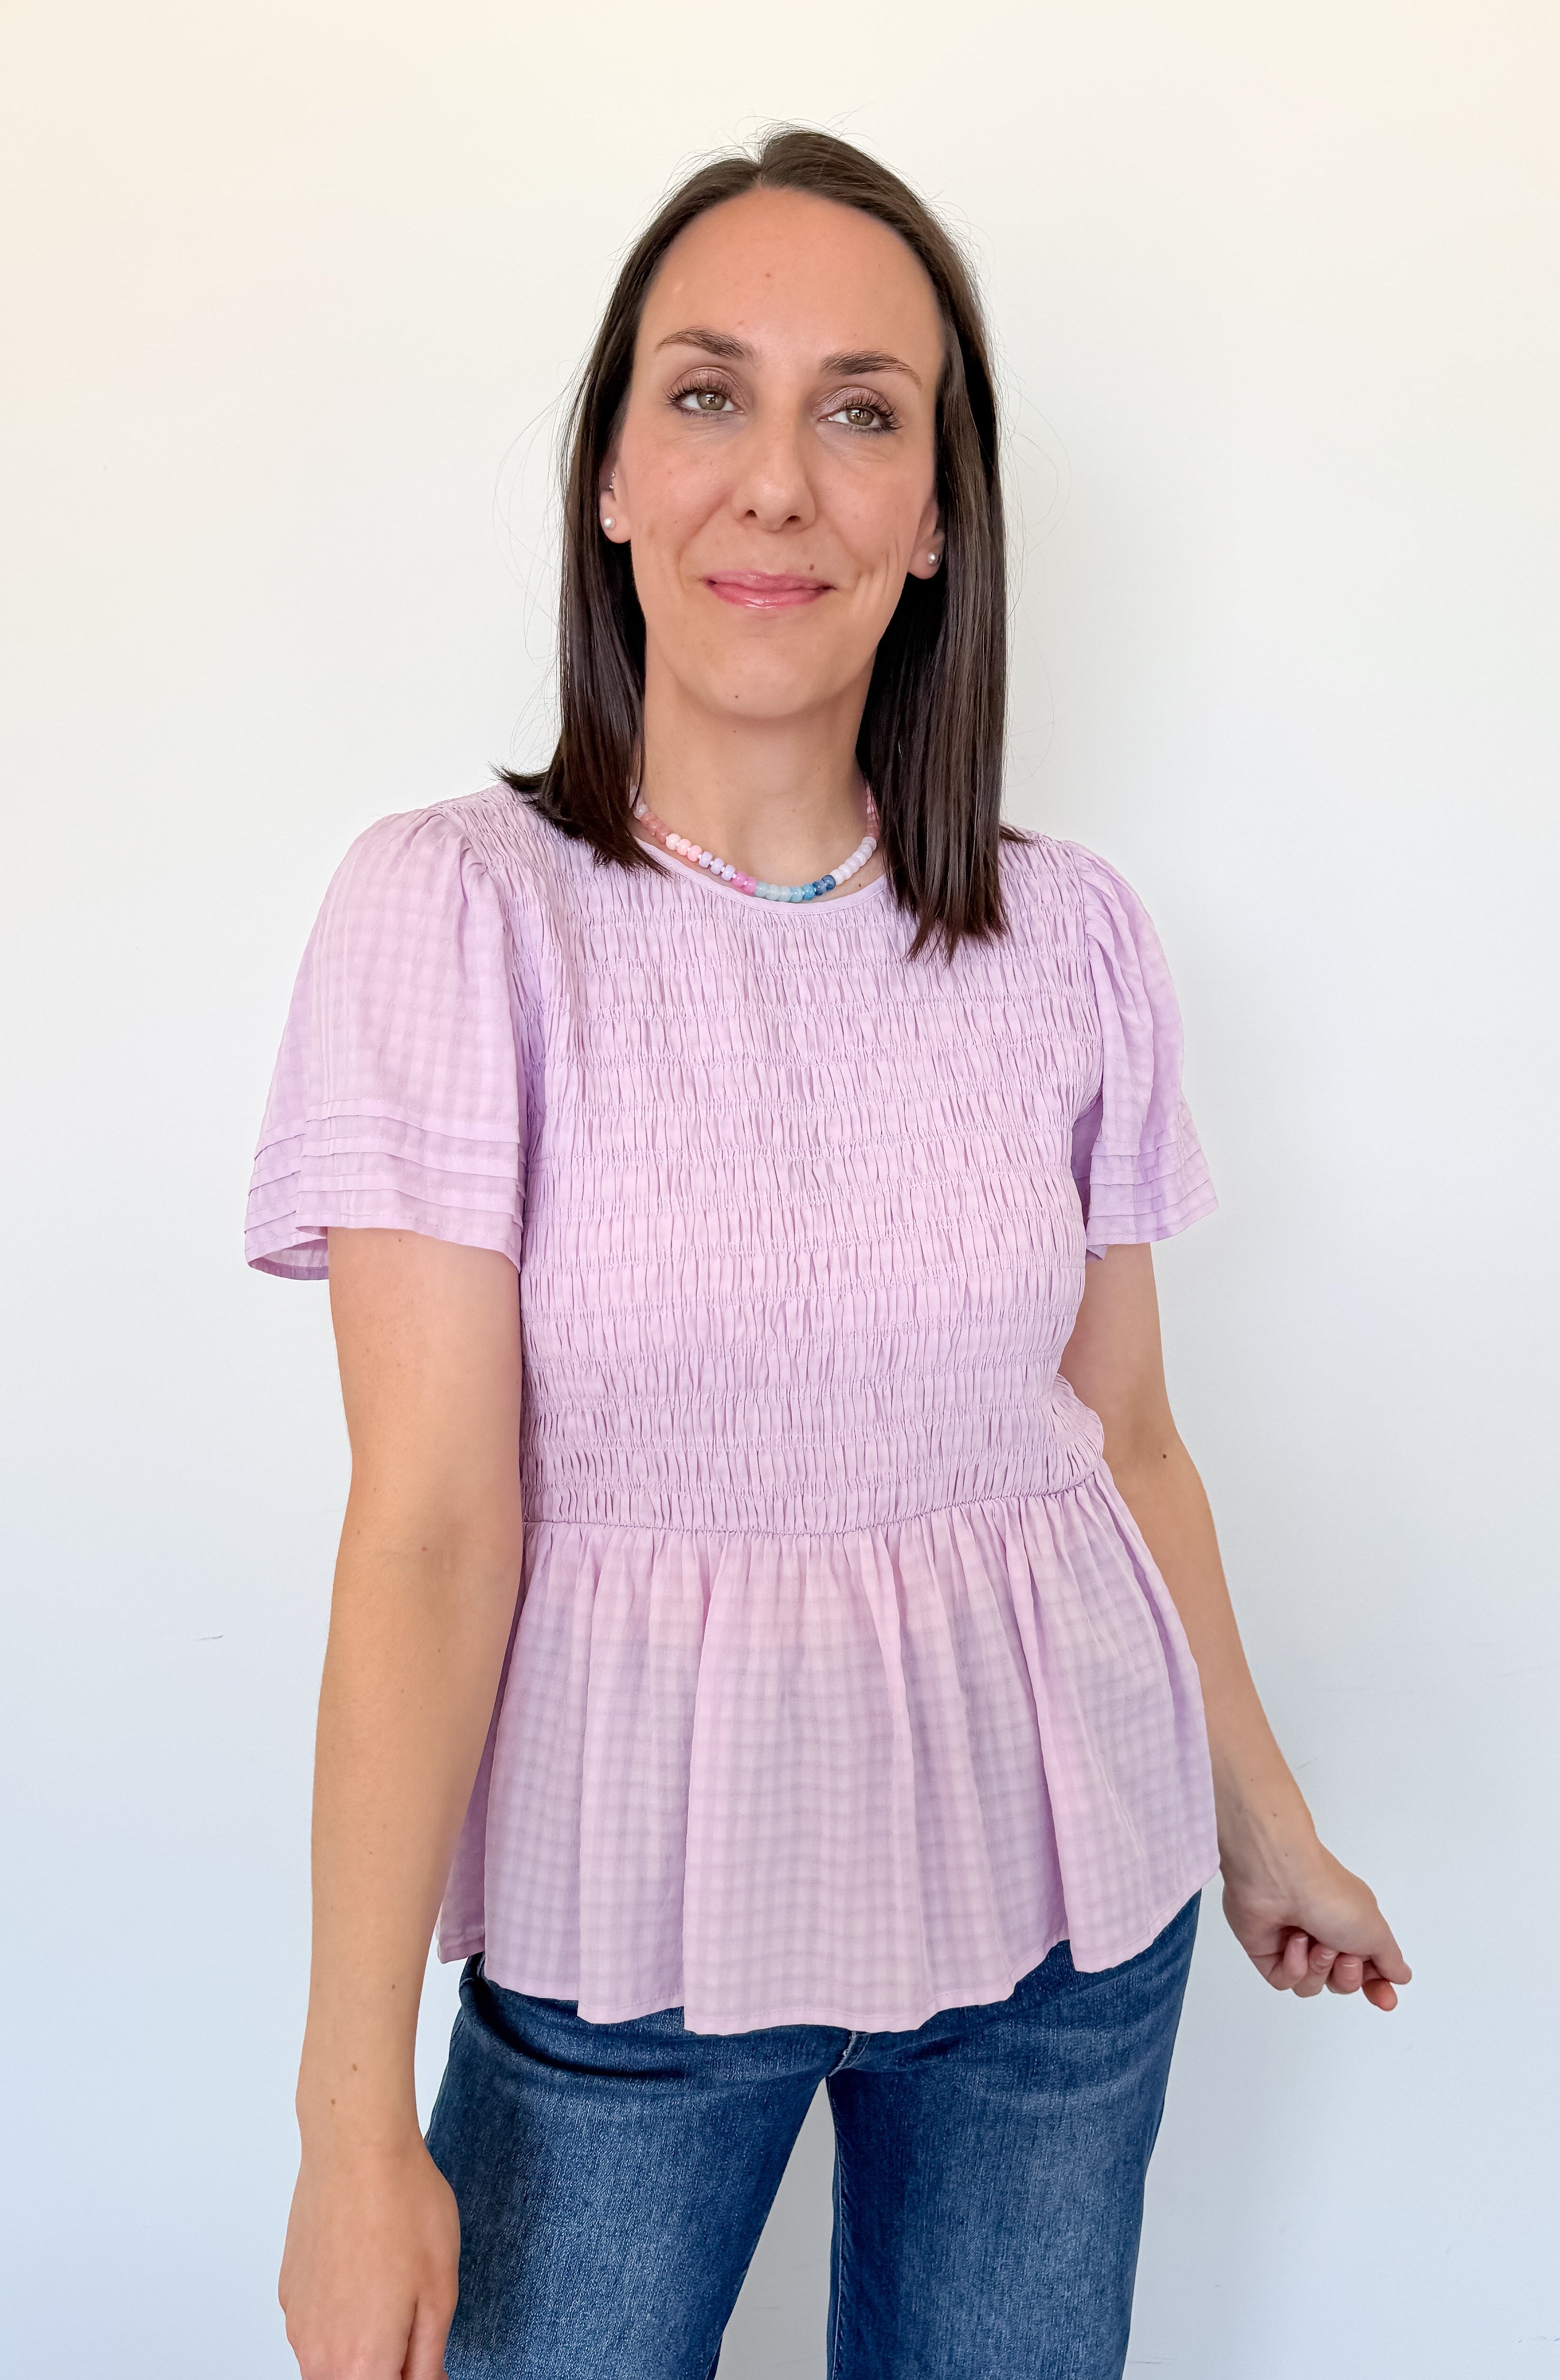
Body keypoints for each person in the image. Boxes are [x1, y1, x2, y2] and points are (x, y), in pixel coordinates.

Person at [247, 126, 1410, 2380]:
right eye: (708, 394)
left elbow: (1127, 1435)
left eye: (862, 410)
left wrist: (1265, 1818)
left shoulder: (1066, 933)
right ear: (606, 475)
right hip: (632, 1951)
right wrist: (348, 2120)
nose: (778, 482)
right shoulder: (457, 914)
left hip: (1070, 1915)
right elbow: (426, 1526)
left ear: (938, 514)